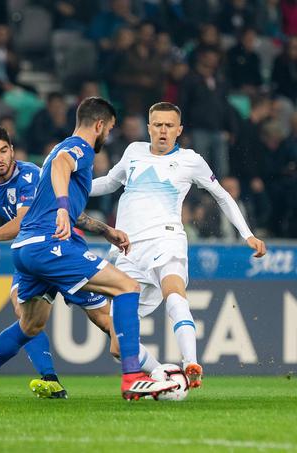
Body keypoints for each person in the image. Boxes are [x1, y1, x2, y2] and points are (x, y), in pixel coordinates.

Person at [0, 97, 178, 401]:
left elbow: (55, 184)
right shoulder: (80, 149)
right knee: (127, 286)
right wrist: (61, 208)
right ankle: (133, 377)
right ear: (99, 125)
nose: (107, 136)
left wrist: (105, 230)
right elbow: (61, 169)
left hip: (26, 250)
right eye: (108, 129)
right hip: (51, 244)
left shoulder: (57, 148)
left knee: (31, 324)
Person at [89, 102, 267, 387]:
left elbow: (221, 195)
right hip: (129, 250)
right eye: (157, 124)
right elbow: (110, 182)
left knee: (174, 292)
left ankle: (190, 362)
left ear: (179, 130)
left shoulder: (190, 160)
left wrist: (247, 234)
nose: (163, 130)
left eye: (169, 125)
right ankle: (163, 374)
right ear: (148, 128)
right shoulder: (133, 152)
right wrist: (69, 187)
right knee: (118, 344)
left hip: (166, 237)